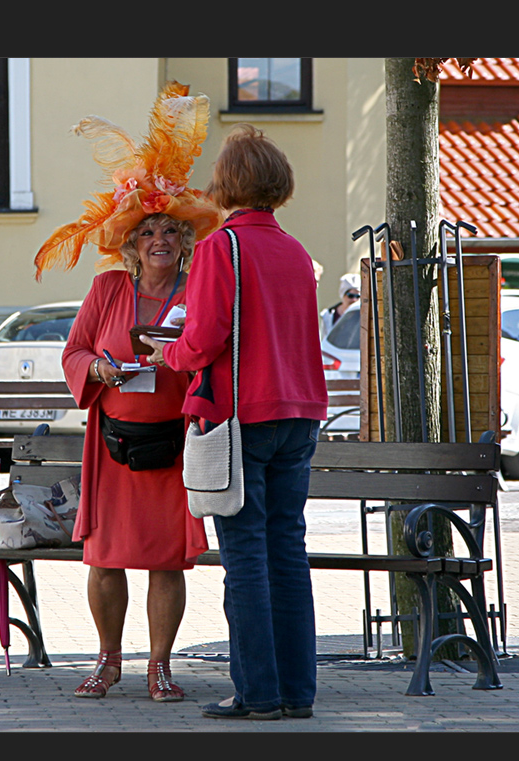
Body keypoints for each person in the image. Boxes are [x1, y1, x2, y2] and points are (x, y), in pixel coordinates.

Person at [33, 83, 223, 703]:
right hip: (113, 443)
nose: (161, 240)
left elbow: (218, 355)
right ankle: (109, 659)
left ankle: (160, 667)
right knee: (105, 557)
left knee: (167, 559)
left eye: (170, 230)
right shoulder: (107, 290)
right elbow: (74, 353)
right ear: (132, 245)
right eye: (148, 233)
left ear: (184, 240)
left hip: (176, 444)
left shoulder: (199, 289)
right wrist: (100, 371)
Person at [141, 124, 328, 720]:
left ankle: (257, 693)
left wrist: (164, 352)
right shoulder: (298, 251)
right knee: (287, 554)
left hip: (240, 417)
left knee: (245, 557)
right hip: (299, 414)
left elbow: (202, 340)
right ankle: (298, 692)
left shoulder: (224, 247)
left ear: (227, 185)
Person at [319, 272, 361, 340]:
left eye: (358, 296)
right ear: (343, 295)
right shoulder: (328, 315)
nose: (354, 299)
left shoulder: (362, 315)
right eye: (350, 296)